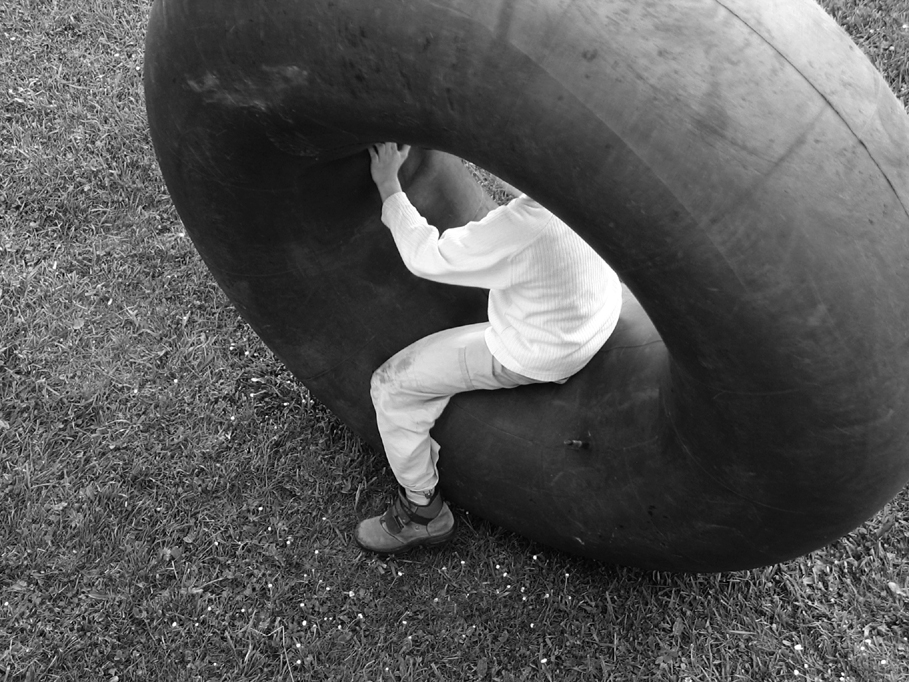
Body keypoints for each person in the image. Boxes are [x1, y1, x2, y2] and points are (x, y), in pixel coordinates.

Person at [356, 142, 623, 554]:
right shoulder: (592, 184)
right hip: (596, 312)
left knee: (391, 387)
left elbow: (427, 257)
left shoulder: (524, 228)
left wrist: (388, 184)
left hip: (541, 349)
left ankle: (423, 512)